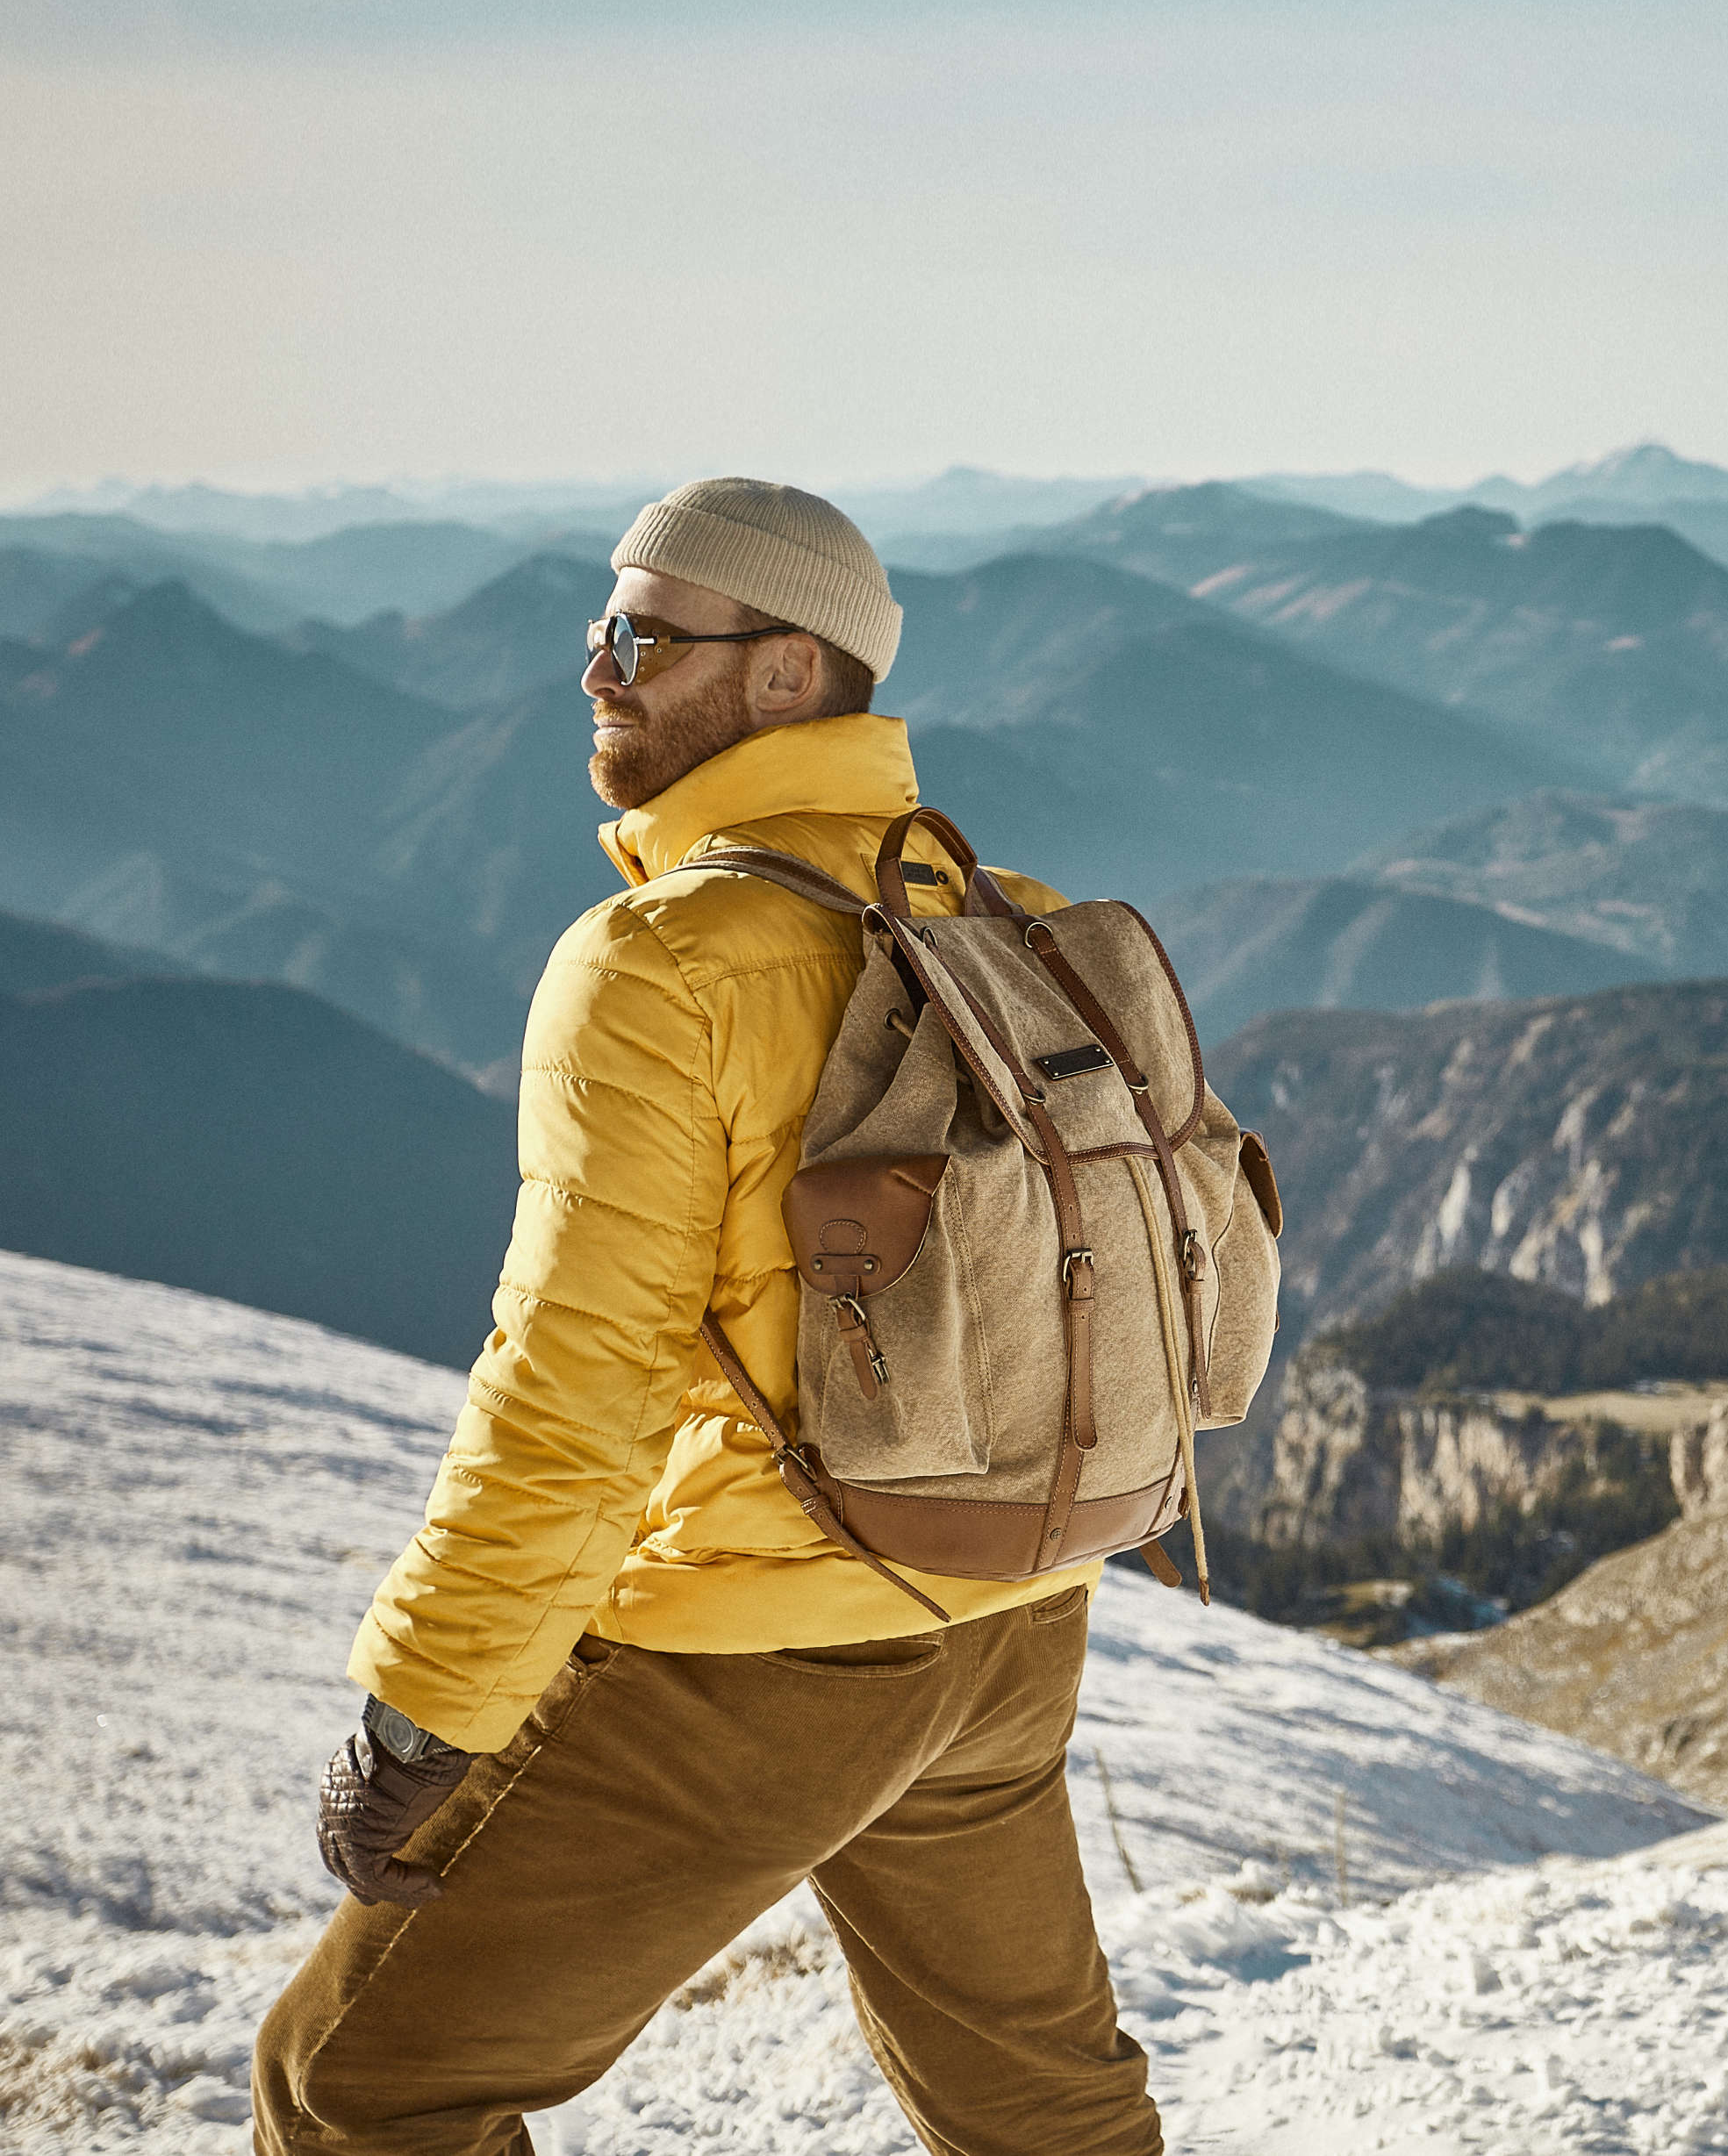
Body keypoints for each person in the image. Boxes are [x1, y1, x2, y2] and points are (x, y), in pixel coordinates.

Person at [254, 478, 1163, 2156]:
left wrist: (427, 1710)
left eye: (645, 639)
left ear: (787, 674)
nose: (597, 669)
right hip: (1012, 1609)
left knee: (356, 2086)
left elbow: (569, 1397)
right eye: (600, 630)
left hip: (770, 1653)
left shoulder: (661, 963)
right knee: (1041, 2107)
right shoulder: (998, 905)